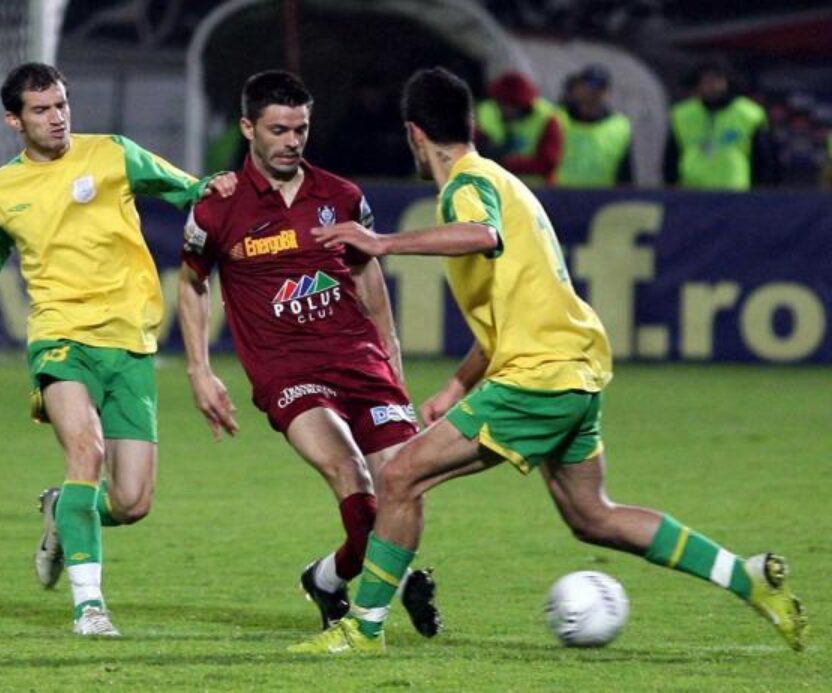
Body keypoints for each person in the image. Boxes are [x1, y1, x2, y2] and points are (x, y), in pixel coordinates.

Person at [289, 66, 808, 654]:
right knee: (593, 516)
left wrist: (381, 242)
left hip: (537, 379)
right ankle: (748, 577)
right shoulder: (508, 183)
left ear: (414, 133)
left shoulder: (466, 184)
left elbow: (482, 235)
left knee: (402, 476)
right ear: (471, 123)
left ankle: (364, 629)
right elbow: (514, 307)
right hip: (573, 371)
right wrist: (458, 386)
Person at [0, 62, 235, 637]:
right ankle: (90, 607)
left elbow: (186, 187)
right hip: (59, 336)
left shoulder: (114, 154)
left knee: (132, 502)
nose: (56, 119)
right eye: (41, 110)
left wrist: (214, 186)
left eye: (61, 106)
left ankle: (66, 510)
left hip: (129, 340)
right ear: (14, 120)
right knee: (87, 451)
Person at [176, 69, 441, 637]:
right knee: (350, 473)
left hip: (360, 359)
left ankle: (326, 576)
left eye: (300, 128)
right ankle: (393, 585)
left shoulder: (342, 196)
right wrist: (200, 370)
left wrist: (390, 352)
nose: (292, 140)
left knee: (404, 486)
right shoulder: (219, 207)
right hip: (288, 370)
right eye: (278, 129)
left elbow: (367, 275)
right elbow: (192, 283)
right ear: (248, 127)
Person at [664, 62, 775, 190]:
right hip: (691, 192)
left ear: (727, 81)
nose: (711, 85)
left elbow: (764, 161)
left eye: (716, 79)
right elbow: (671, 159)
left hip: (735, 192)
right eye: (705, 81)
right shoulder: (682, 115)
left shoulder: (749, 114)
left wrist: (760, 194)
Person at [475, 71, 563, 186]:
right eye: (502, 104)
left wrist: (505, 162)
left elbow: (547, 163)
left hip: (536, 191)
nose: (506, 110)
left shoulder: (546, 119)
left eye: (513, 105)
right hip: (494, 188)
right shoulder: (485, 112)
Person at [556, 64, 633, 187]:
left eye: (600, 87)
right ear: (577, 88)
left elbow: (625, 174)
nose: (593, 92)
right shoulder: (556, 118)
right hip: (555, 195)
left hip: (598, 199)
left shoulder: (619, 126)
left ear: (608, 93)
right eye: (588, 85)